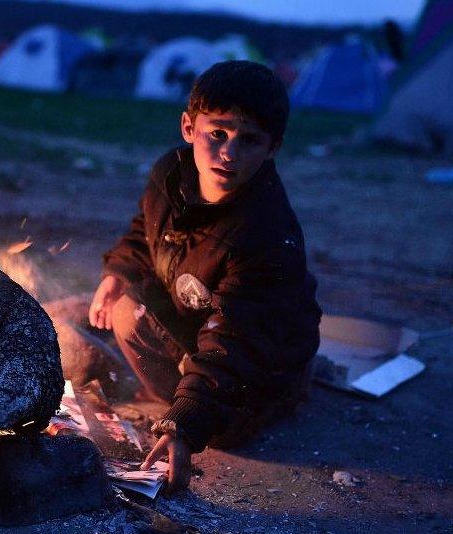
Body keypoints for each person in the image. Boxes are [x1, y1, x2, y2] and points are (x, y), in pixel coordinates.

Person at [88, 60, 321, 493]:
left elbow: (239, 336)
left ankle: (219, 401)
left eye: (249, 140)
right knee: (124, 301)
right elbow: (146, 231)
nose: (229, 153)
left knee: (213, 426)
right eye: (218, 133)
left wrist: (188, 419)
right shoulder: (170, 176)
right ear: (188, 126)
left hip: (260, 367)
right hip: (198, 319)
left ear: (273, 147)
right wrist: (120, 271)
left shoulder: (265, 233)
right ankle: (191, 390)